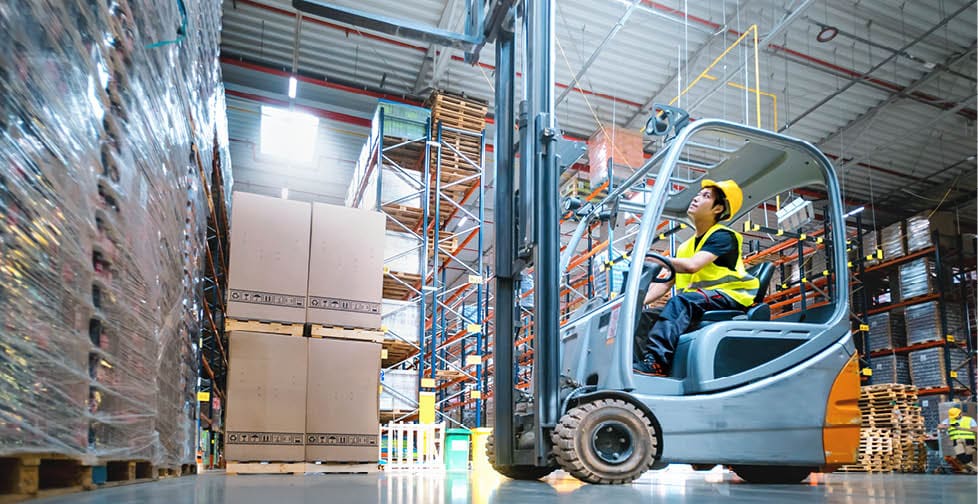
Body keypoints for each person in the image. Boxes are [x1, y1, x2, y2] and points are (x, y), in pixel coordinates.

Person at [634, 179, 759, 376]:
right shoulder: (686, 247)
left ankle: (657, 363)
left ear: (718, 208)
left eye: (706, 196)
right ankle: (639, 366)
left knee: (680, 302)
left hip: (730, 297)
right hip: (698, 302)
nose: (696, 198)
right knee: (645, 316)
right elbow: (666, 283)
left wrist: (658, 259)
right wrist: (636, 302)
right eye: (699, 194)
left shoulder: (723, 236)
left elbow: (692, 266)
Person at [939, 407, 977, 473]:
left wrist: (961, 428)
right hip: (957, 440)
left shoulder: (970, 419)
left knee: (968, 457)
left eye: (956, 416)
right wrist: (950, 425)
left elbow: (976, 430)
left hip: (969, 439)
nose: (955, 417)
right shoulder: (949, 420)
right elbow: (939, 426)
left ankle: (970, 470)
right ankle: (975, 468)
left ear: (960, 413)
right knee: (960, 456)